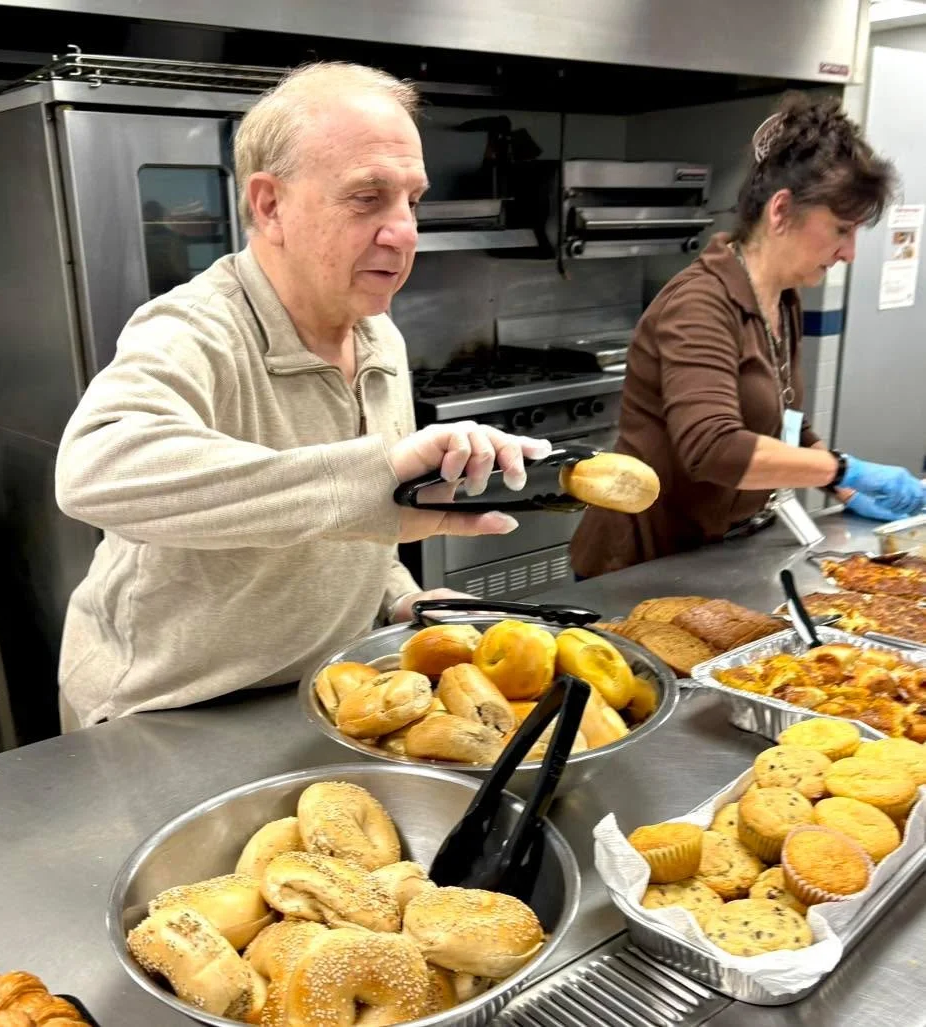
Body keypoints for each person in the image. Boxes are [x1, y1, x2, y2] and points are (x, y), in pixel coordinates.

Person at [54, 62, 550, 728]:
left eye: (412, 199)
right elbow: (95, 471)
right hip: (163, 712)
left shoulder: (379, 336)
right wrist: (367, 482)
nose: (403, 231)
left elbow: (346, 528)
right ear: (269, 205)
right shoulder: (196, 328)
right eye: (366, 197)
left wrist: (402, 599)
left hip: (318, 692)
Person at [571, 92, 924, 579]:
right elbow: (713, 447)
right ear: (781, 211)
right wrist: (842, 469)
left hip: (720, 552)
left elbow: (783, 423)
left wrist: (845, 490)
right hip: (644, 562)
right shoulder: (699, 304)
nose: (849, 252)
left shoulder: (782, 298)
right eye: (842, 229)